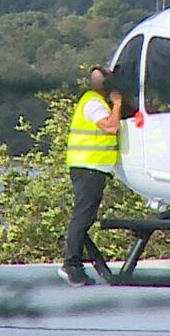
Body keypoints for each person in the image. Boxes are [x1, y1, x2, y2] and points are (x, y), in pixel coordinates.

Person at [58, 66, 122, 286]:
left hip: (91, 167)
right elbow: (111, 127)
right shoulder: (94, 102)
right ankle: (71, 264)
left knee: (85, 216)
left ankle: (77, 262)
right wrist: (118, 104)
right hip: (88, 167)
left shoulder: (94, 101)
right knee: (82, 216)